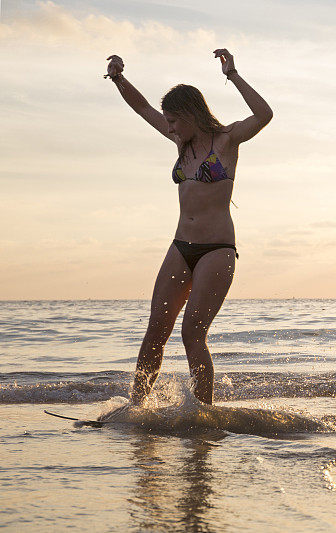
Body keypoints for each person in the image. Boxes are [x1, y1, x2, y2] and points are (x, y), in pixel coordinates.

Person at [105, 49, 273, 404]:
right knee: (155, 332)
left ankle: (202, 412)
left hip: (216, 250)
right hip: (181, 246)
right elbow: (143, 109)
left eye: (173, 121)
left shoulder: (228, 140)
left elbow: (264, 114)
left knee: (192, 333)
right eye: (167, 122)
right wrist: (119, 78)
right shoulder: (180, 143)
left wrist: (233, 74)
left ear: (192, 115)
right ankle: (136, 408)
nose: (168, 127)